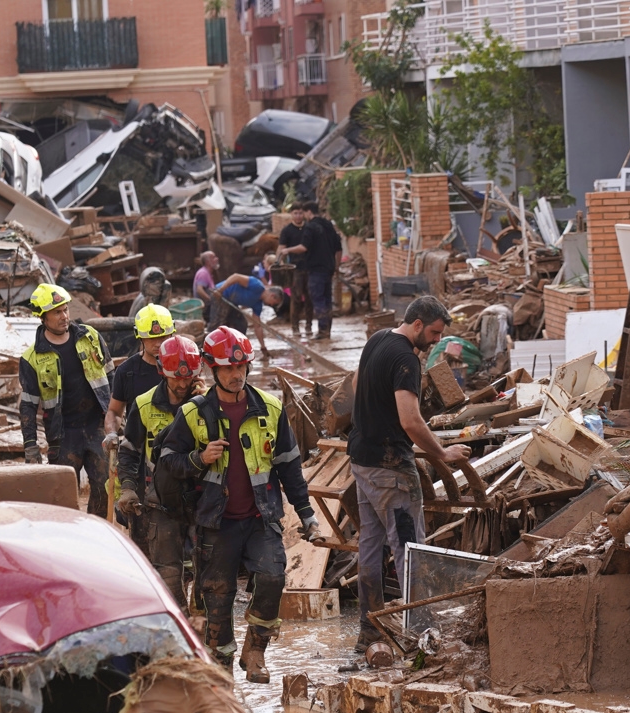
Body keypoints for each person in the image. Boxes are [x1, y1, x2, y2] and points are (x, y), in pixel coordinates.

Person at [157, 326, 321, 683]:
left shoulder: (271, 409)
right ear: (212, 370)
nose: (236, 375)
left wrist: (306, 514)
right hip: (215, 523)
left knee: (273, 577)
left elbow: (290, 467)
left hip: (260, 518)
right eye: (228, 369)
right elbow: (167, 460)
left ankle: (256, 650)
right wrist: (199, 458)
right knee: (218, 599)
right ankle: (224, 673)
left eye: (242, 366)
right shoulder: (193, 414)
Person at [348, 296, 473, 653]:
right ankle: (419, 638)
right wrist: (442, 453)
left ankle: (368, 632)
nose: (436, 340)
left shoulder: (377, 339)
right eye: (434, 333)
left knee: (370, 548)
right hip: (390, 469)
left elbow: (357, 385)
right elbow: (411, 420)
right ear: (417, 324)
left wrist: (378, 415)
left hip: (363, 460)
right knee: (409, 550)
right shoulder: (405, 359)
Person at [117, 335, 206, 612]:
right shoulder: (144, 405)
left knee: (206, 573)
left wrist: (202, 401)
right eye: (175, 378)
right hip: (162, 502)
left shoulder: (209, 403)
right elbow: (130, 450)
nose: (182, 385)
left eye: (188, 378)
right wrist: (128, 487)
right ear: (161, 372)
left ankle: (203, 633)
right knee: (167, 574)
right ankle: (177, 627)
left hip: (205, 500)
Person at [18, 282, 116, 518]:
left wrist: (118, 417)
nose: (64, 316)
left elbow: (113, 377)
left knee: (105, 487)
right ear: (43, 317)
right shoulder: (32, 358)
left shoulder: (90, 337)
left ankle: (95, 535)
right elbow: (28, 406)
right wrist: (30, 446)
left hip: (97, 427)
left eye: (65, 310)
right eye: (56, 312)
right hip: (63, 436)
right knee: (62, 496)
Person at [104, 303, 175, 548]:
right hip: (139, 456)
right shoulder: (127, 372)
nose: (159, 343)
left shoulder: (182, 366)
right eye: (152, 338)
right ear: (140, 338)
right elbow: (114, 410)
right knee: (141, 528)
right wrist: (112, 433)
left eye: (165, 336)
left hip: (178, 454)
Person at [302, 201, 341, 341]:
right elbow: (338, 246)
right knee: (327, 299)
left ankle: (323, 330)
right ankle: (327, 329)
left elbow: (304, 247)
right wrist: (337, 266)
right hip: (328, 269)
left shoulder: (310, 227)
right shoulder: (329, 225)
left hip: (316, 269)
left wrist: (286, 250)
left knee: (318, 300)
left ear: (308, 212)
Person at [216, 272, 278, 357]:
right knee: (217, 326)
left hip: (232, 303)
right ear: (272, 296)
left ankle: (235, 351)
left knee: (241, 325)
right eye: (273, 303)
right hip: (220, 295)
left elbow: (258, 326)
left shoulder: (258, 305)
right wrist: (220, 290)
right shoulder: (257, 285)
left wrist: (263, 347)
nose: (271, 305)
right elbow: (236, 276)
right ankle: (212, 351)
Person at [276, 206, 312, 335]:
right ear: (291, 214)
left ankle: (309, 325)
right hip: (294, 269)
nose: (298, 216)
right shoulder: (287, 231)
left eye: (300, 213)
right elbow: (281, 249)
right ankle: (295, 327)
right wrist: (279, 264)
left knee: (310, 298)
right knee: (296, 298)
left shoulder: (309, 228)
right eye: (295, 213)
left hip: (309, 267)